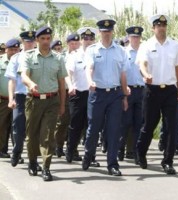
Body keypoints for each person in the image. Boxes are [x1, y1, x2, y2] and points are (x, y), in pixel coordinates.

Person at [136, 14, 178, 175]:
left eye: (164, 25)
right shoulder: (147, 45)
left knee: (171, 127)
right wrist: (145, 75)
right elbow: (142, 64)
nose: (161, 27)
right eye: (158, 25)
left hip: (170, 90)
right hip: (152, 90)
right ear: (153, 28)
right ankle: (141, 153)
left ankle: (168, 161)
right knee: (148, 125)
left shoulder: (175, 45)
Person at [20, 26, 67, 181]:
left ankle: (46, 167)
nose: (46, 42)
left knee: (47, 136)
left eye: (48, 39)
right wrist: (31, 84)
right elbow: (24, 76)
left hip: (52, 101)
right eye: (43, 39)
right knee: (32, 135)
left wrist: (62, 105)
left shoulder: (58, 58)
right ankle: (33, 162)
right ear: (37, 40)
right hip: (33, 100)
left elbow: (61, 83)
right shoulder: (28, 56)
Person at [82, 19, 129, 176]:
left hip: (115, 94)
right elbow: (89, 68)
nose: (106, 33)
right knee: (93, 129)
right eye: (103, 31)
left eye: (109, 31)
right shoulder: (92, 50)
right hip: (98, 93)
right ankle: (88, 154)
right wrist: (90, 81)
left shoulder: (121, 51)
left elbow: (123, 74)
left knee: (114, 130)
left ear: (112, 32)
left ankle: (112, 164)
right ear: (100, 32)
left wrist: (124, 95)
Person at [66, 26, 100, 167]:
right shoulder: (75, 55)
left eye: (91, 38)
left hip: (95, 94)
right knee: (76, 125)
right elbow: (68, 74)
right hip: (78, 94)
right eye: (85, 38)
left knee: (92, 126)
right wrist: (70, 86)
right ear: (81, 40)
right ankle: (71, 150)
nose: (88, 40)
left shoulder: (98, 54)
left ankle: (90, 155)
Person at [5, 31, 39, 168]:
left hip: (35, 96)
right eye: (27, 41)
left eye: (31, 41)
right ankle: (17, 151)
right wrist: (11, 99)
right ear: (22, 42)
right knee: (18, 128)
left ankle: (33, 161)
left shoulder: (40, 57)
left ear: (35, 42)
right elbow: (12, 81)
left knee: (34, 131)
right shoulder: (16, 58)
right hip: (20, 97)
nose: (29, 43)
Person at [118, 26, 145, 164]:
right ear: (128, 38)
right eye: (133, 37)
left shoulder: (144, 52)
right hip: (127, 91)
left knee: (138, 123)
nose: (135, 39)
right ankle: (120, 148)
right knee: (125, 122)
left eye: (138, 37)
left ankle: (134, 152)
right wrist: (123, 91)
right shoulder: (123, 52)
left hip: (141, 90)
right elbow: (120, 73)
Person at [159, 60, 178, 155]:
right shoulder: (166, 61)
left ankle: (176, 146)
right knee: (167, 118)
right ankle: (164, 141)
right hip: (169, 90)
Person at [0, 39, 20, 158]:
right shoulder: (1, 61)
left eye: (16, 49)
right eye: (11, 49)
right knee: (2, 126)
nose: (14, 52)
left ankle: (17, 152)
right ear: (6, 49)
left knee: (17, 126)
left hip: (19, 99)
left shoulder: (23, 61)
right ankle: (2, 149)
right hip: (3, 99)